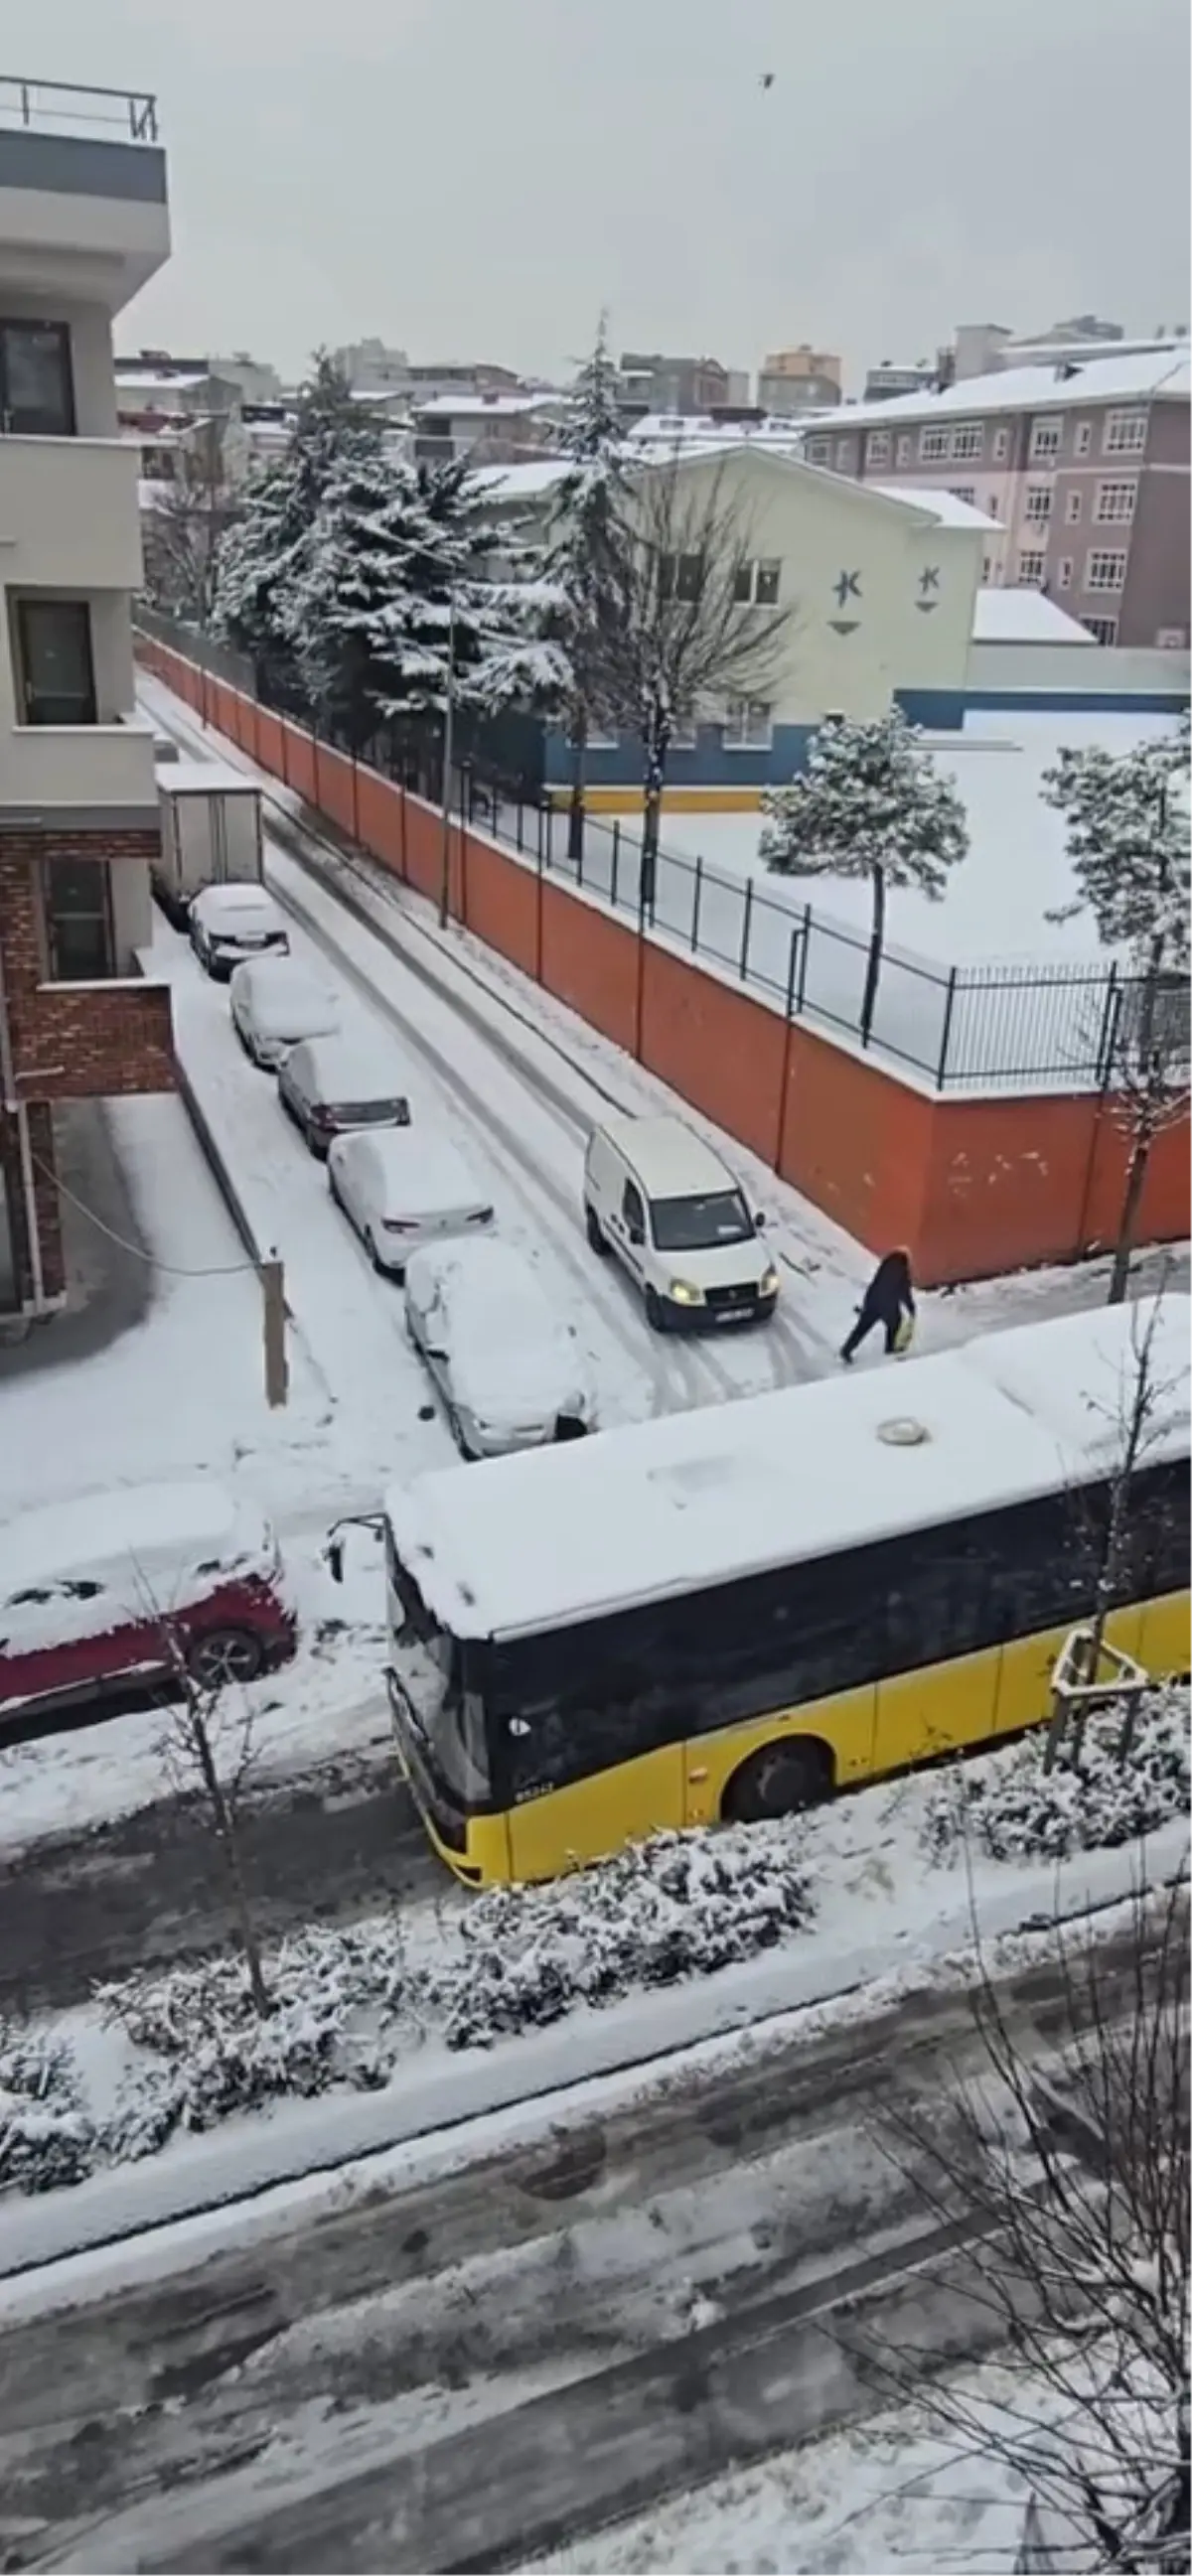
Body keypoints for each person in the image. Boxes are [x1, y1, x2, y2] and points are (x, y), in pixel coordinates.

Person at [840, 1248, 915, 1364]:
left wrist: (866, 1303)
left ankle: (846, 1350)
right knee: (894, 1324)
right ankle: (890, 1350)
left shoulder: (884, 1267)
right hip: (887, 1305)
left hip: (872, 1300)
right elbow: (904, 1291)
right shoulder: (902, 1271)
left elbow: (876, 1283)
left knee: (862, 1327)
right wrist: (911, 1307)